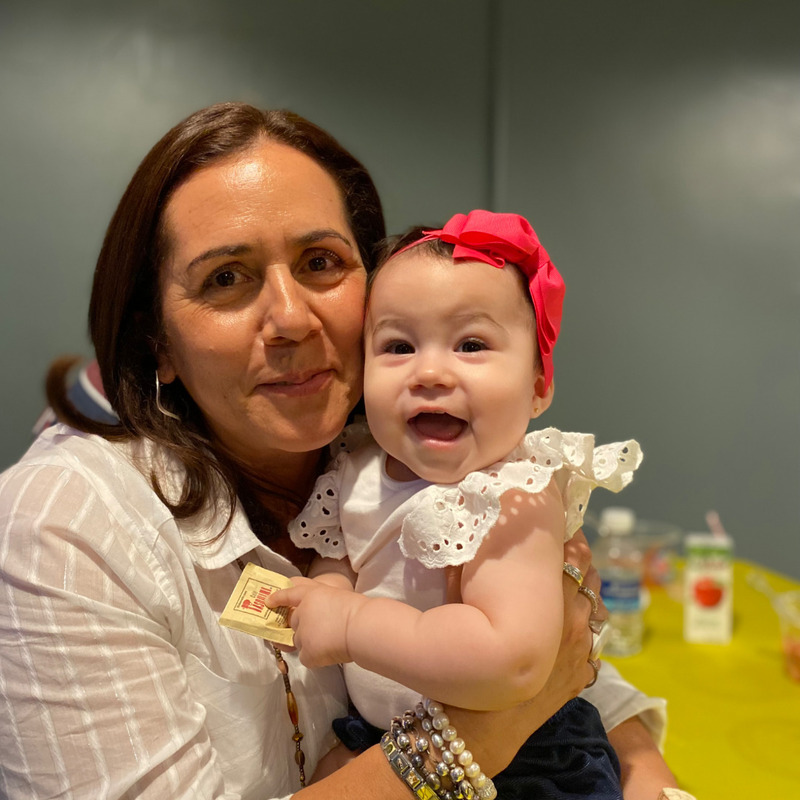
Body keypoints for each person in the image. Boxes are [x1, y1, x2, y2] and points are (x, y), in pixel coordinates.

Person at [0, 102, 682, 800]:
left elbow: (560, 650)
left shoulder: (392, 453)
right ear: (158, 345)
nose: (292, 318)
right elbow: (521, 681)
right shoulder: (67, 525)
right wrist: (481, 735)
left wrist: (638, 760)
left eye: (321, 262)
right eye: (226, 278)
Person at [268, 210, 641, 799]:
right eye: (398, 346)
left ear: (538, 386)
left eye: (471, 344)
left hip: (526, 758)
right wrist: (326, 593)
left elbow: (508, 660)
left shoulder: (511, 494)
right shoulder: (354, 469)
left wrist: (351, 624)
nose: (430, 372)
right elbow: (342, 559)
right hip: (382, 736)